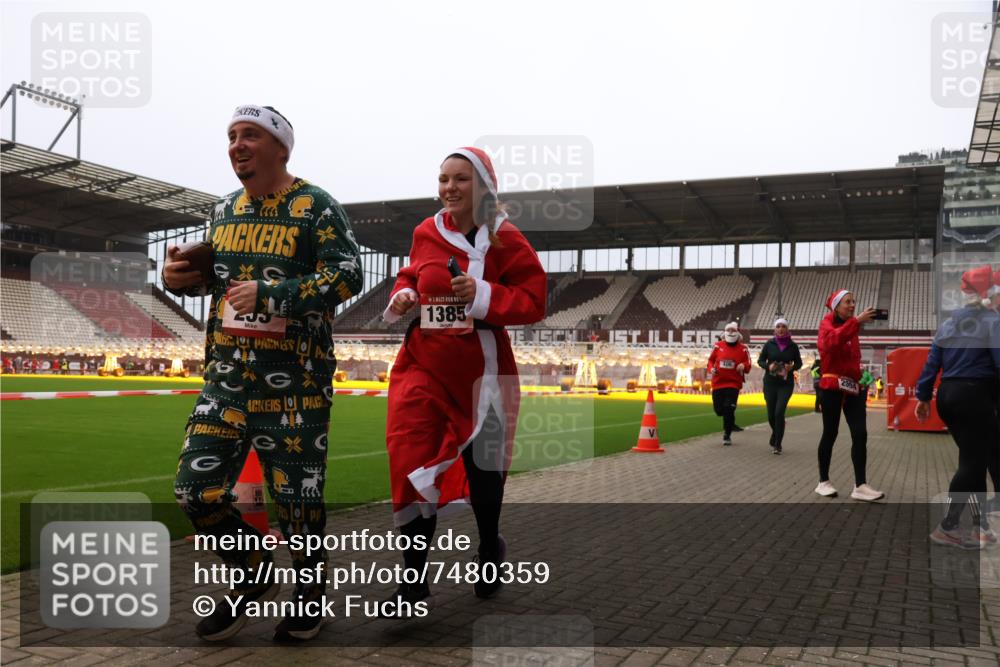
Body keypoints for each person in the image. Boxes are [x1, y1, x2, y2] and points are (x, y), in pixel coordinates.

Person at [162, 104, 363, 642]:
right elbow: (217, 282)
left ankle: (309, 598)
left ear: (281, 147)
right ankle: (252, 569)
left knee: (299, 505)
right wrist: (180, 277)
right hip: (225, 377)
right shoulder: (222, 210)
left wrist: (275, 294)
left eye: (250, 134)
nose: (237, 145)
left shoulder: (316, 206)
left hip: (296, 383)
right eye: (231, 136)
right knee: (193, 489)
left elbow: (349, 275)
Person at [380, 147, 547, 614]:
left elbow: (534, 300)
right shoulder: (425, 232)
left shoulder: (506, 238)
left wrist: (483, 294)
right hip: (423, 367)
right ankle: (412, 581)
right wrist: (405, 294)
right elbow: (410, 274)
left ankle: (489, 547)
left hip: (483, 374)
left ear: (484, 187)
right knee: (410, 460)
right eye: (443, 179)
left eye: (460, 179)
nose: (449, 188)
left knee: (483, 472)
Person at [916, 266, 1000, 548]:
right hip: (976, 396)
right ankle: (948, 526)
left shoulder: (949, 323)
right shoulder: (992, 322)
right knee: (971, 465)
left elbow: (932, 363)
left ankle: (980, 528)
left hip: (948, 397)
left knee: (974, 462)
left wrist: (923, 397)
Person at [814, 289, 884, 502]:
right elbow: (830, 343)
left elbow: (852, 361)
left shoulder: (852, 329)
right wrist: (856, 322)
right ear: (836, 306)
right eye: (848, 302)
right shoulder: (827, 324)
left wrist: (863, 378)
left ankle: (860, 485)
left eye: (854, 301)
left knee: (860, 434)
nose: (852, 305)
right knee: (830, 433)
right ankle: (823, 481)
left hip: (853, 388)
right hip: (831, 386)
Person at [756, 317, 802, 455]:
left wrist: (791, 367)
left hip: (785, 385)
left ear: (787, 329)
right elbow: (760, 360)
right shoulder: (769, 344)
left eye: (783, 326)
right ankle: (776, 433)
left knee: (779, 412)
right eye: (778, 326)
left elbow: (799, 363)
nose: (781, 329)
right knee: (771, 415)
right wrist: (768, 365)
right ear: (775, 329)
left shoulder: (793, 346)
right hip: (770, 383)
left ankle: (778, 444)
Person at [707, 322, 750, 446]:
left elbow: (748, 364)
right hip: (718, 383)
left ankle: (727, 434)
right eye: (728, 330)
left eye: (733, 330)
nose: (731, 332)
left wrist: (743, 365)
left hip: (733, 384)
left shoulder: (743, 348)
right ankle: (730, 420)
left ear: (737, 332)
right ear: (725, 332)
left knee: (728, 409)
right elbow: (710, 360)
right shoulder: (717, 346)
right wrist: (711, 369)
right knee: (719, 410)